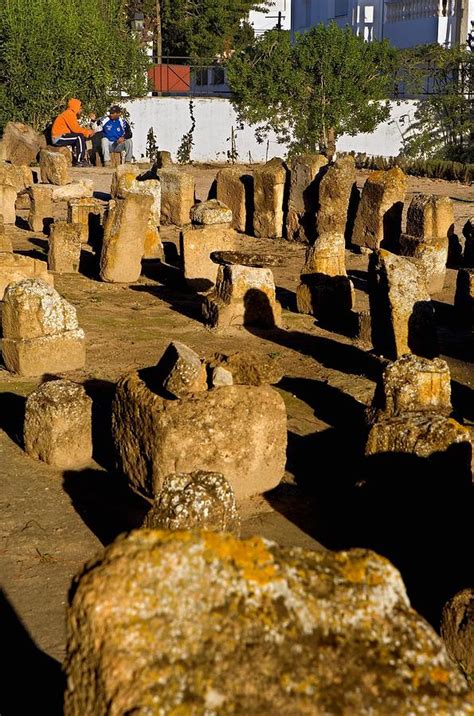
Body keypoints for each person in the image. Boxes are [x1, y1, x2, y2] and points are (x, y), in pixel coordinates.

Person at [51, 98, 94, 166]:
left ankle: (80, 159)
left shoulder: (70, 114)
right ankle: (80, 160)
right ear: (76, 107)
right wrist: (88, 132)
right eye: (80, 108)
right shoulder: (69, 114)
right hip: (58, 137)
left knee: (80, 137)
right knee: (79, 137)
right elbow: (75, 129)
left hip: (63, 136)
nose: (81, 110)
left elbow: (75, 129)